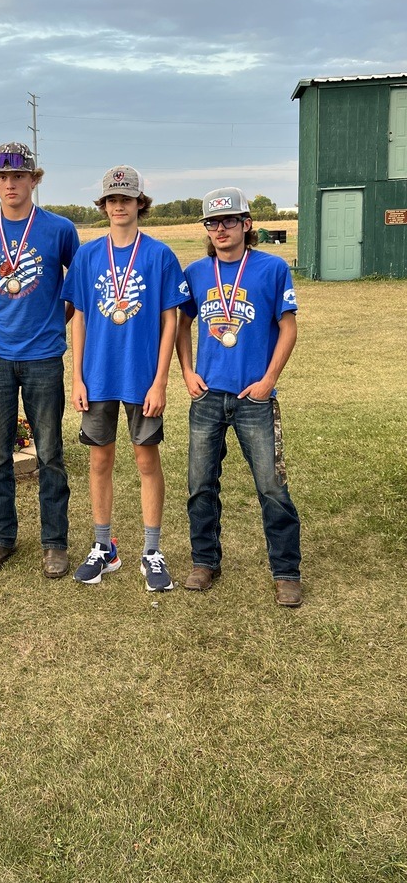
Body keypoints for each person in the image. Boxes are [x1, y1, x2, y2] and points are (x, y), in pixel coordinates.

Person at [63, 166, 189, 590]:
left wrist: (160, 382)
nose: (119, 206)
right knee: (99, 461)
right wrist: (77, 378)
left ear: (140, 204)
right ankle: (104, 548)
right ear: (103, 206)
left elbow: (170, 320)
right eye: (112, 200)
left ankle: (152, 552)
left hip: (141, 376)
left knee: (146, 460)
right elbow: (78, 318)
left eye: (127, 199)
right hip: (97, 375)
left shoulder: (159, 256)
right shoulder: (87, 255)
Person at [176, 187, 303, 607]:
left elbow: (287, 327)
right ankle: (204, 561)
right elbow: (181, 323)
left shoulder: (271, 269)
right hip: (208, 396)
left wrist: (269, 379)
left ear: (247, 225)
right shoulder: (196, 271)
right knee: (200, 483)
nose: (220, 229)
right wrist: (188, 371)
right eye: (212, 223)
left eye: (229, 221)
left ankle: (286, 571)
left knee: (270, 485)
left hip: (255, 397)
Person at [0, 142, 80, 578]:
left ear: (34, 179)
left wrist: (57, 318)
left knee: (49, 452)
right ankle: (1, 538)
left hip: (44, 356)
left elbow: (77, 283)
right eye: (1, 177)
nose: (10, 184)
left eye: (19, 176)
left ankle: (55, 542)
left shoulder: (59, 229)